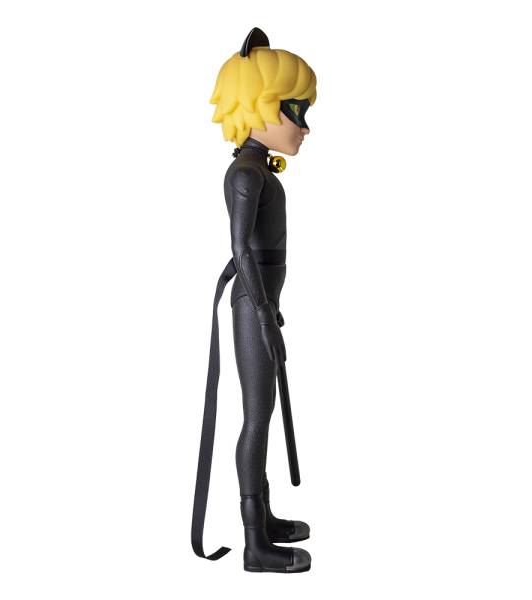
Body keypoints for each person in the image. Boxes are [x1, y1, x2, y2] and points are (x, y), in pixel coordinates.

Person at [192, 27, 317, 573]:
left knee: (261, 413)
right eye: (295, 109)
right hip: (252, 303)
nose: (304, 126)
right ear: (259, 106)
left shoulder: (257, 172)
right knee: (256, 416)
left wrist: (271, 307)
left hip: (263, 302)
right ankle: (254, 543)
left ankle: (263, 518)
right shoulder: (244, 175)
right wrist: (263, 313)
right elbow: (241, 249)